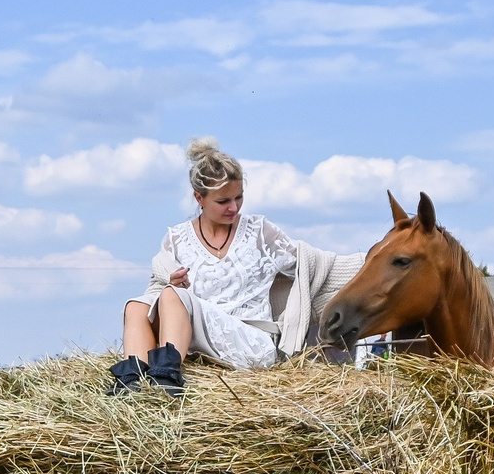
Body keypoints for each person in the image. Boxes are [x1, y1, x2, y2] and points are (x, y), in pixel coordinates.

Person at [110, 137, 357, 395]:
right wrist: (171, 284)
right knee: (136, 305)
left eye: (239, 198)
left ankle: (167, 379)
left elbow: (314, 265)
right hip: (196, 341)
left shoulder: (260, 232)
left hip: (250, 340)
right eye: (223, 201)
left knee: (174, 296)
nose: (234, 207)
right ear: (199, 198)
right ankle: (132, 382)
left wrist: (376, 261)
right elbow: (155, 291)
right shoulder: (177, 239)